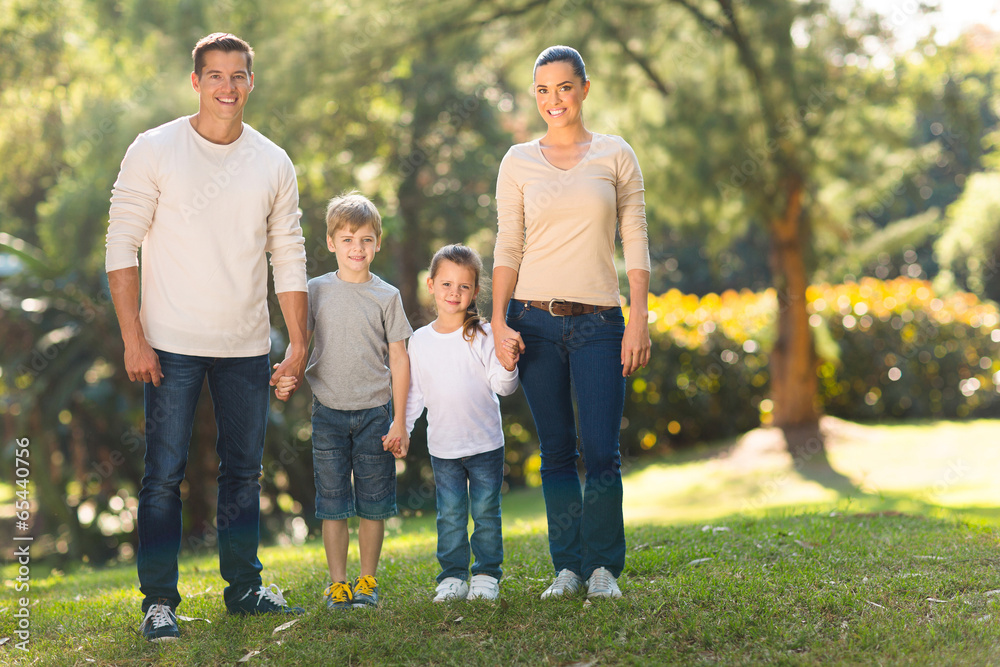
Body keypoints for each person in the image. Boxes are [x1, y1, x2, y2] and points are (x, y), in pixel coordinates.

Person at [106, 33, 308, 642]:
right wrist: (133, 338)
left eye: (238, 76)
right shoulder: (155, 148)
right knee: (163, 474)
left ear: (252, 81)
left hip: (246, 345)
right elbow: (121, 243)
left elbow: (289, 254)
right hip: (169, 343)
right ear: (196, 82)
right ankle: (159, 602)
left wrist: (297, 342)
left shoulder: (273, 161)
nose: (227, 87)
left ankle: (244, 589)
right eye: (215, 76)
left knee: (243, 473)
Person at [491, 45, 651, 600]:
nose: (553, 100)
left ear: (584, 88)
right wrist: (497, 321)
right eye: (542, 90)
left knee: (601, 448)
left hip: (602, 323)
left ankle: (604, 568)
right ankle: (568, 567)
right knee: (556, 449)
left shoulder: (615, 154)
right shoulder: (517, 162)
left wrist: (638, 320)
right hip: (532, 322)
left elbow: (635, 239)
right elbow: (507, 245)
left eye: (563, 87)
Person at [274, 192, 411, 611]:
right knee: (333, 505)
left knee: (373, 503)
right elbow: (300, 344)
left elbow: (400, 359)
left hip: (375, 414)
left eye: (366, 240)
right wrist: (286, 376)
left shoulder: (386, 296)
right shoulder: (315, 291)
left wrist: (399, 421)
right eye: (348, 239)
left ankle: (366, 582)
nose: (358, 248)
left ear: (378, 244)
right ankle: (338, 584)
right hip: (328, 414)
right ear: (331, 242)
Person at [400, 245, 520, 603]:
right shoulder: (419, 341)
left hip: (485, 445)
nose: (454, 293)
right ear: (431, 284)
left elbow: (503, 387)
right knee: (450, 515)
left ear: (475, 292)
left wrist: (510, 364)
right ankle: (452, 577)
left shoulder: (484, 334)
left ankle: (486, 575)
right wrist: (402, 430)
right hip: (444, 449)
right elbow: (414, 394)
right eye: (447, 284)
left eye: (464, 286)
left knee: (485, 513)